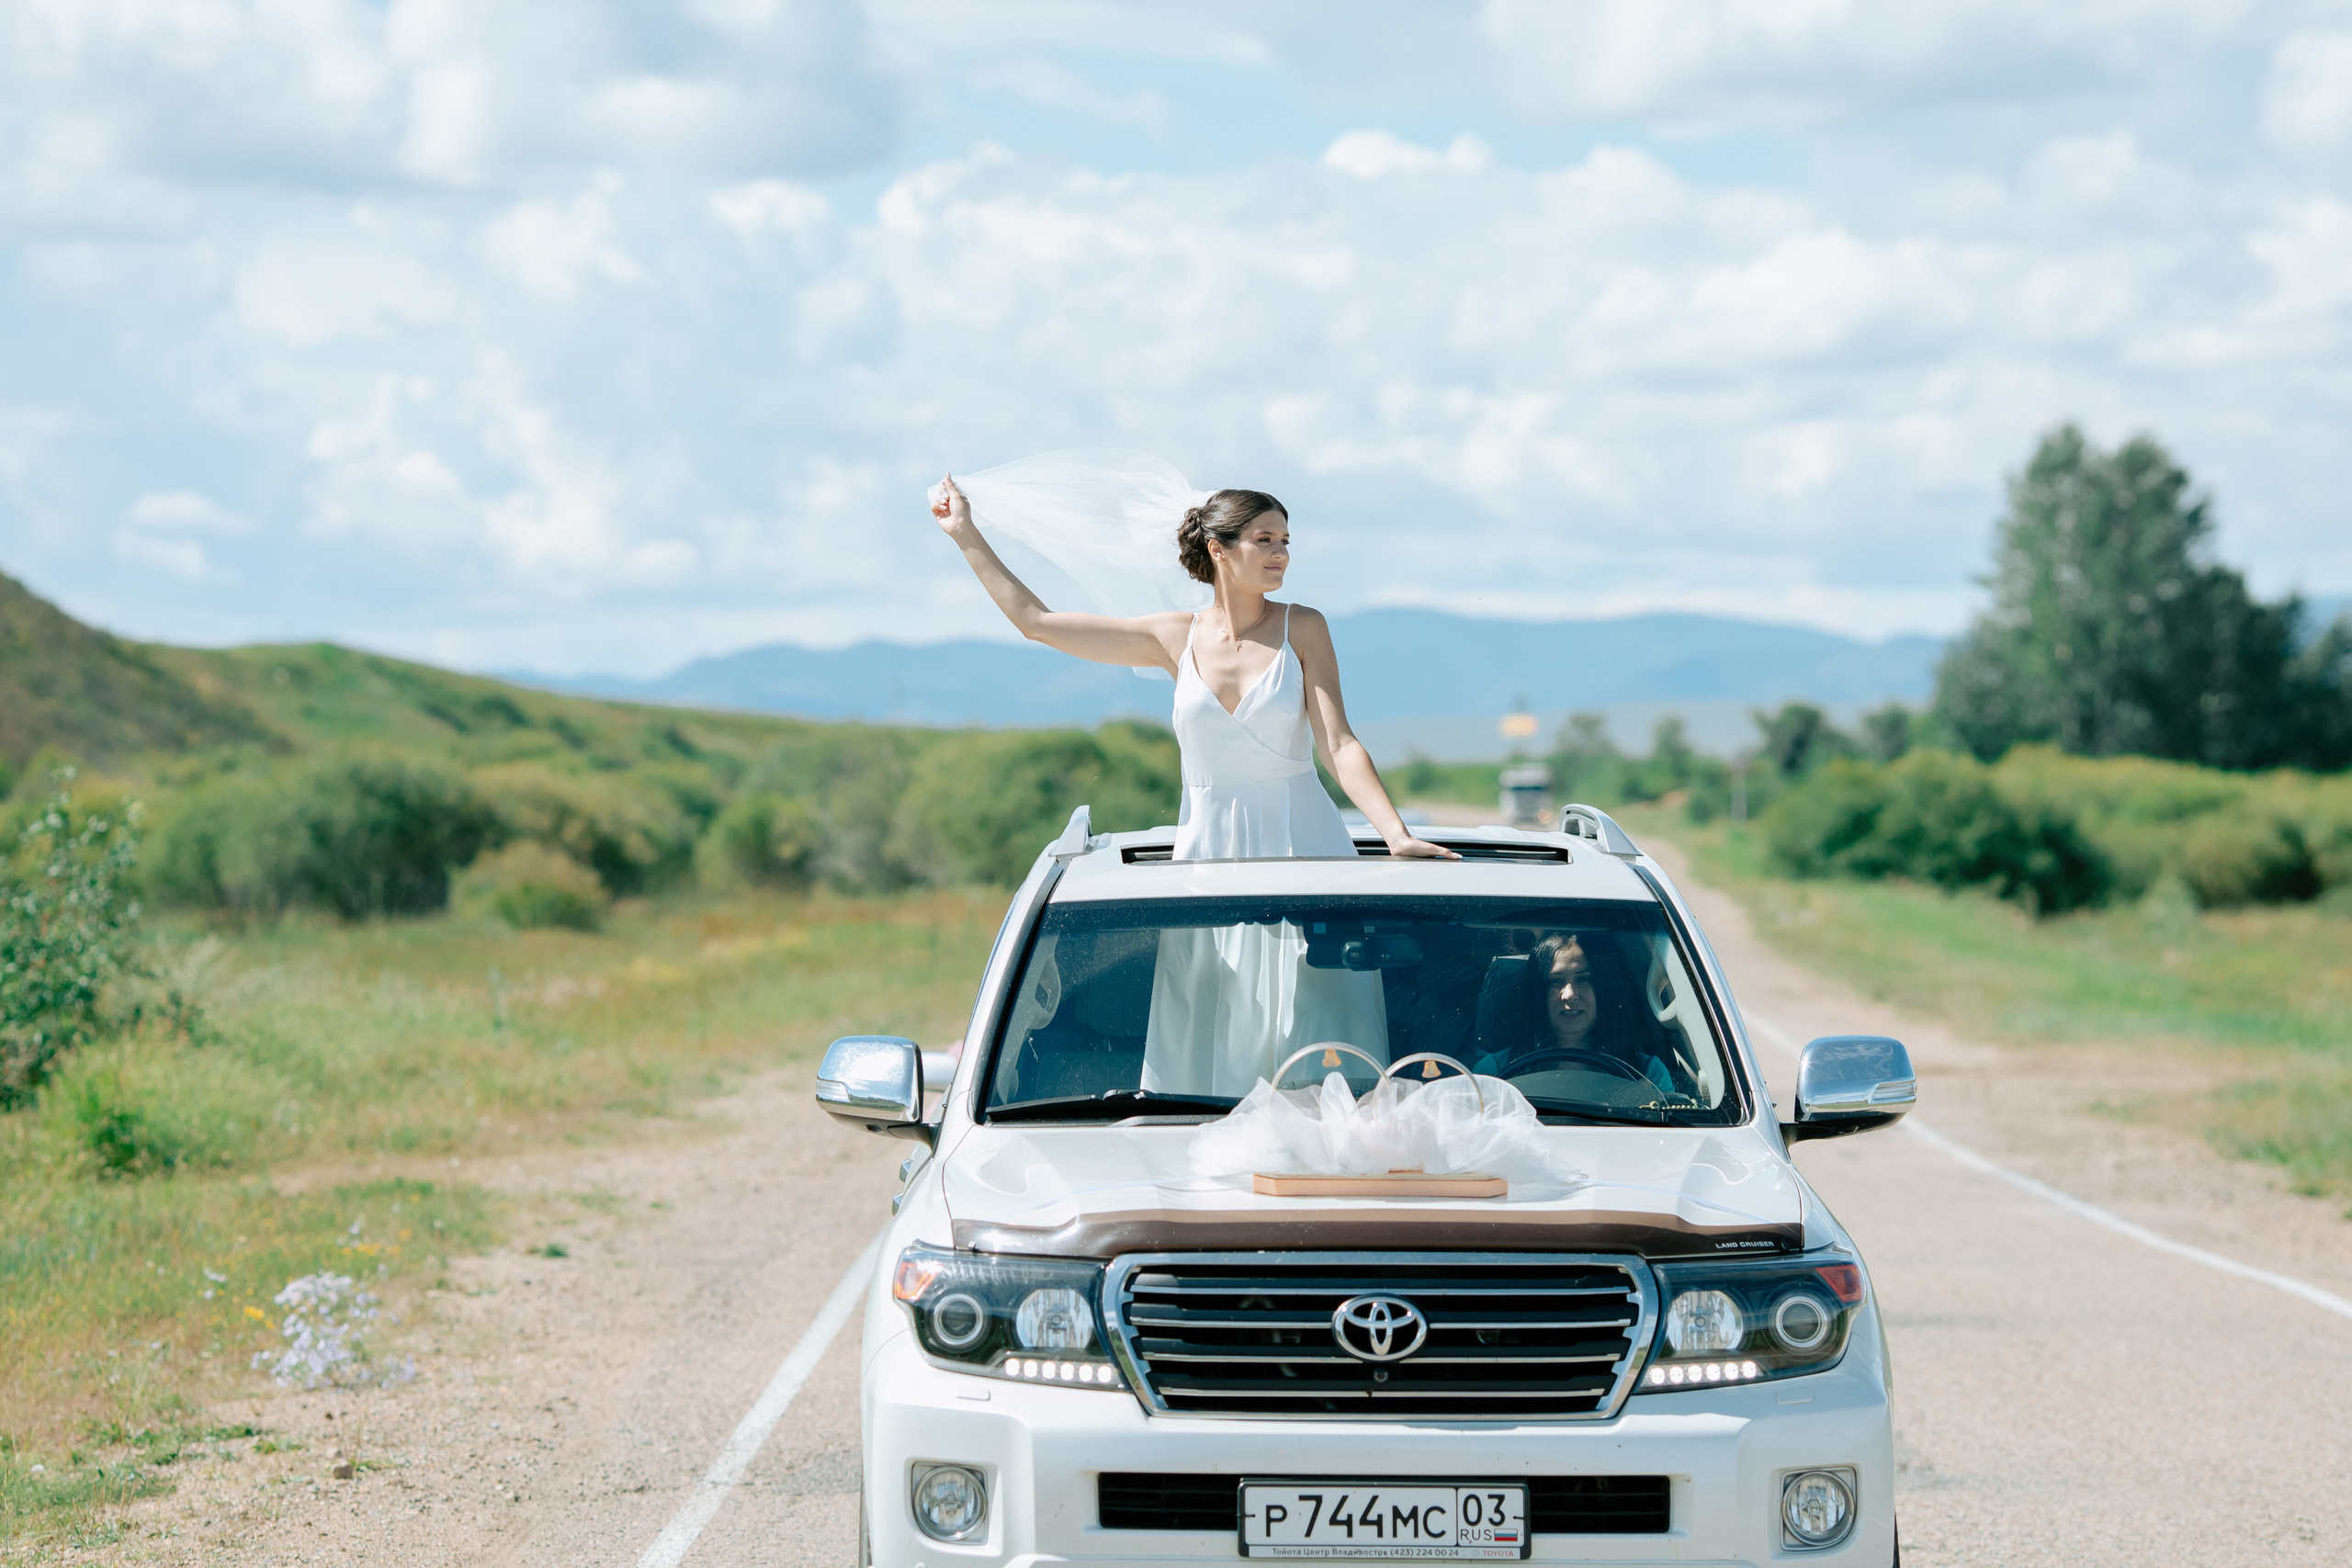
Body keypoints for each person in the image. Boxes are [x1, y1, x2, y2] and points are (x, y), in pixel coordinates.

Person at [933, 461, 1454, 1096]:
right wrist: (966, 536)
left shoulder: (1304, 627)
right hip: (1206, 861)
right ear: (1219, 548)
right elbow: (1036, 623)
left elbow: (1339, 744)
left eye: (1285, 541)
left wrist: (1395, 833)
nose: (1281, 554)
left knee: (1313, 1044)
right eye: (1265, 540)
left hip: (1304, 848)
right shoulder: (1172, 636)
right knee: (1213, 1038)